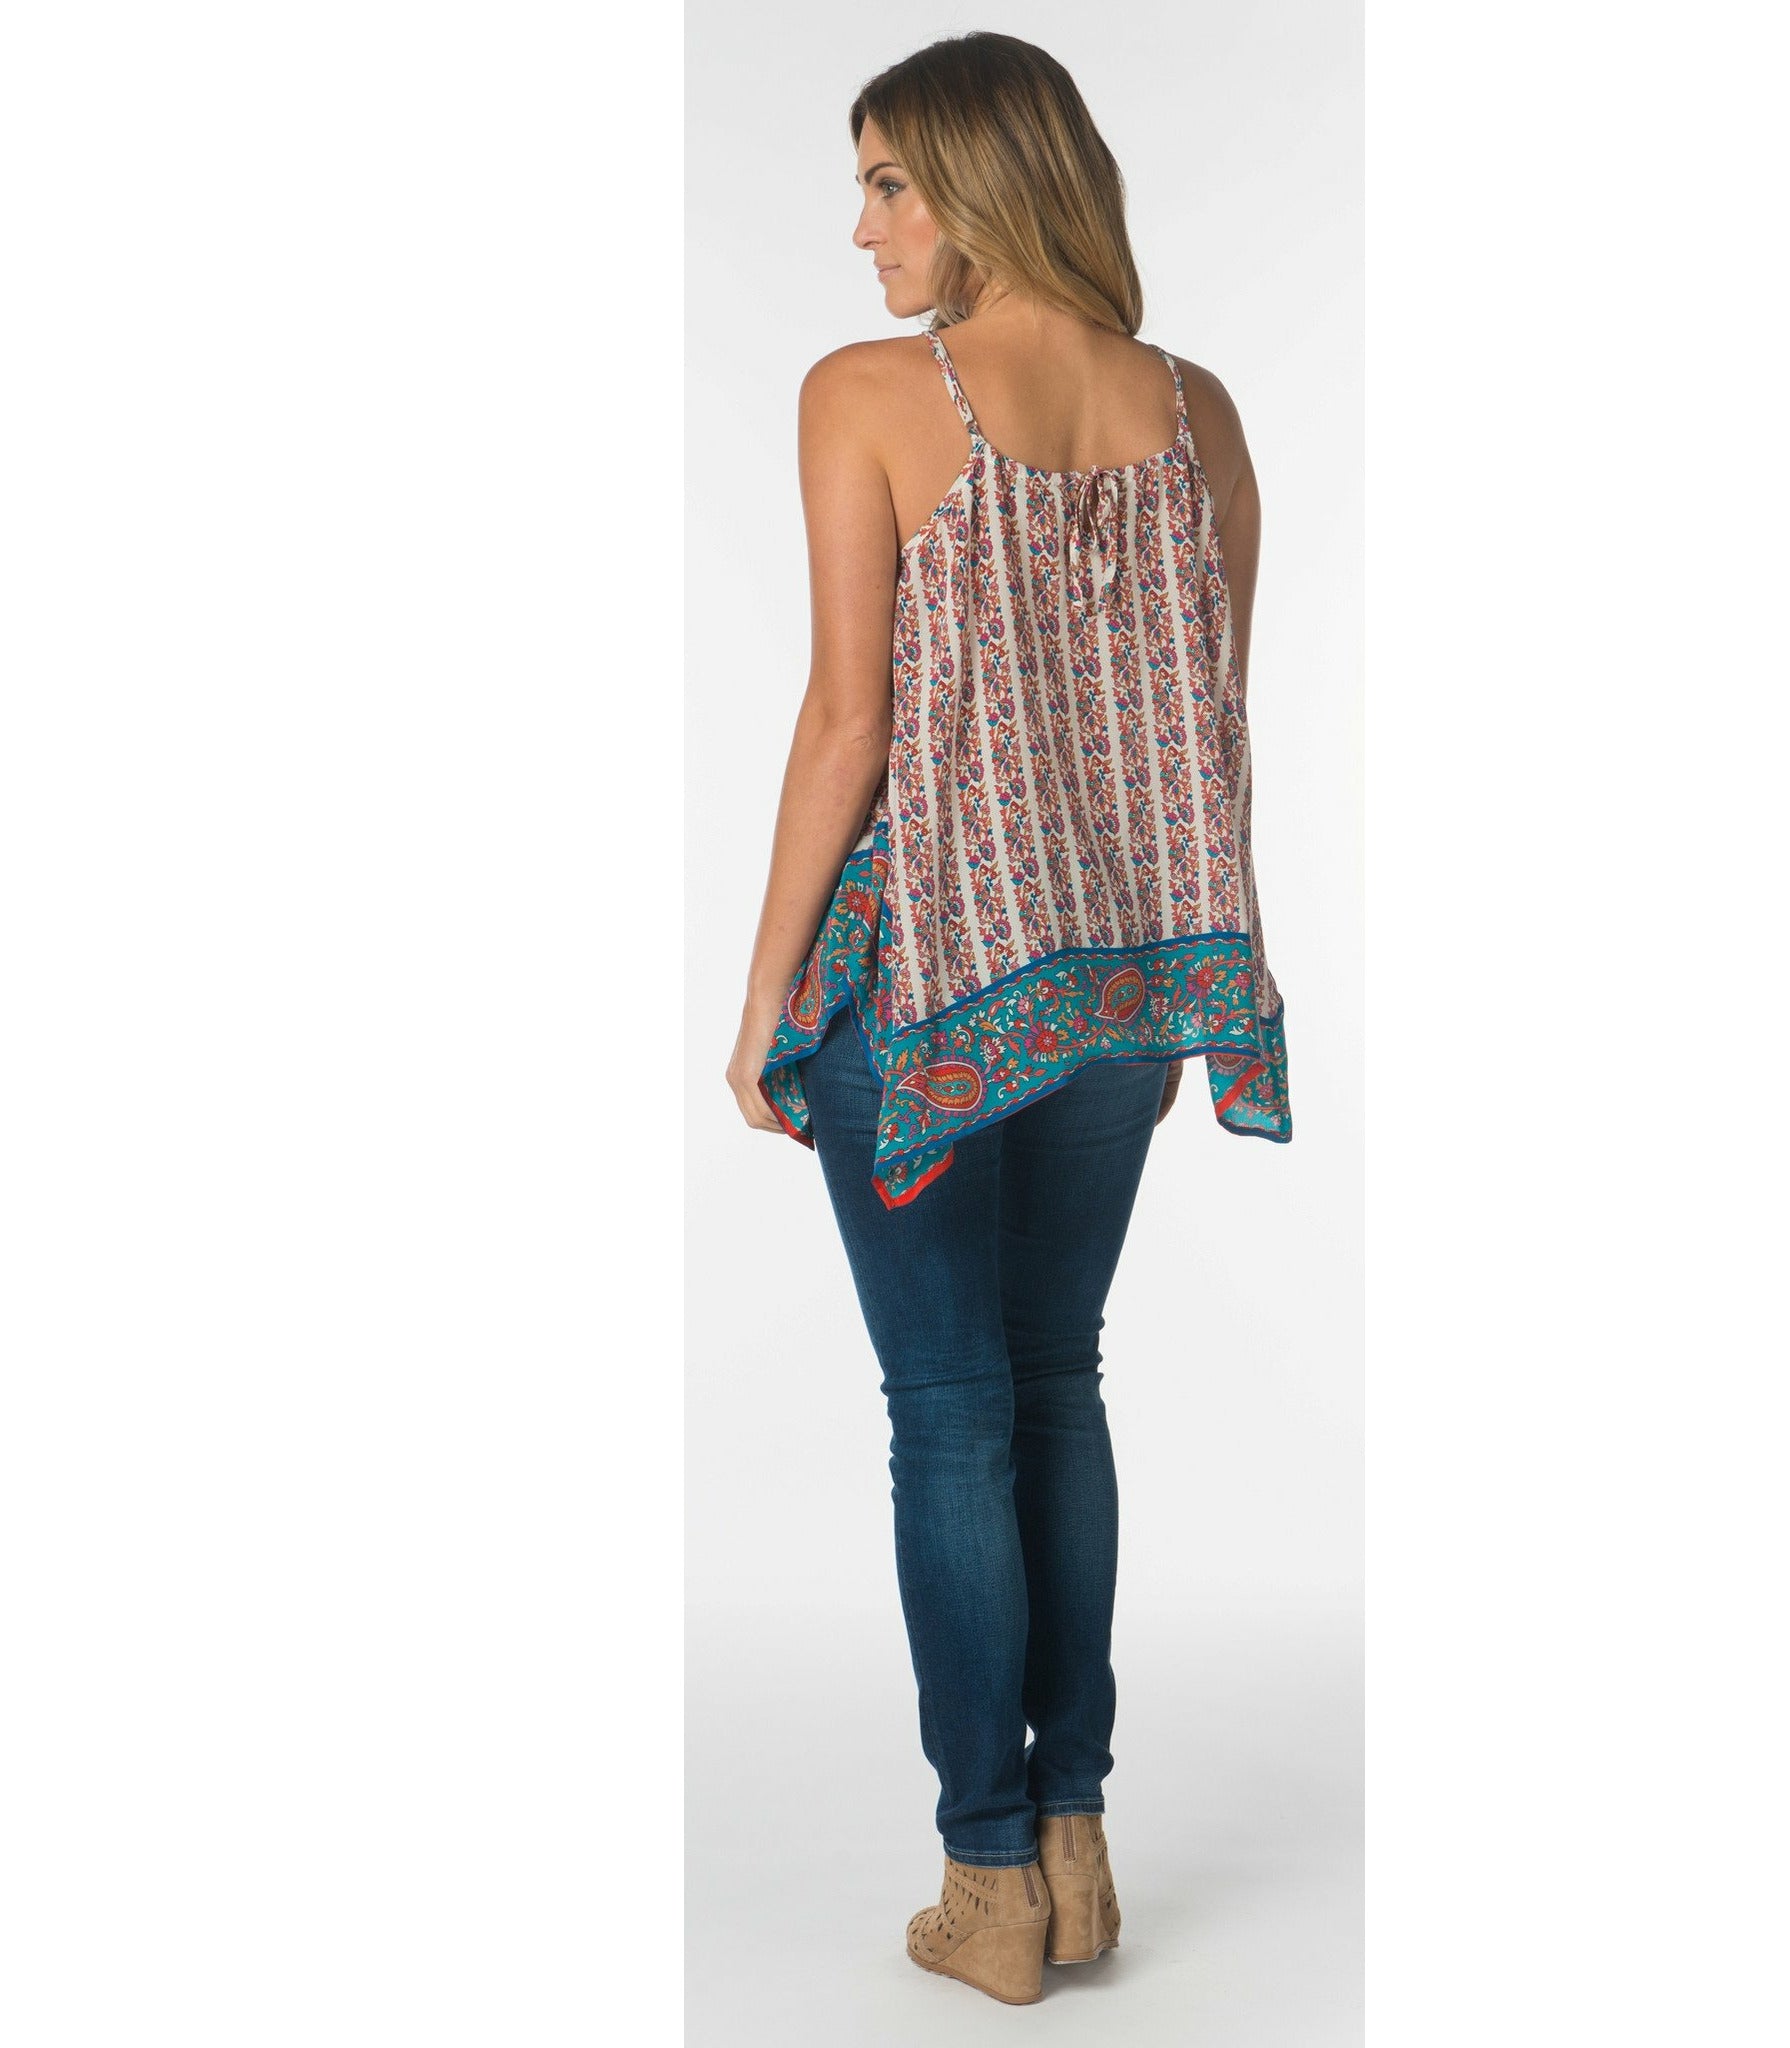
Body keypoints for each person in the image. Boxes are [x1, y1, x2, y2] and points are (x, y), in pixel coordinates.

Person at [724, 30, 1291, 2007]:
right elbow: (1210, 724)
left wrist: (766, 987)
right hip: (1125, 987)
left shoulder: (873, 396)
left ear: (981, 182)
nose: (864, 228)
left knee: (951, 1413)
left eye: (890, 183)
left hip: (931, 985)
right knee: (1057, 1381)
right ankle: (1076, 1843)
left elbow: (847, 722)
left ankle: (987, 1884)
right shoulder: (1196, 409)